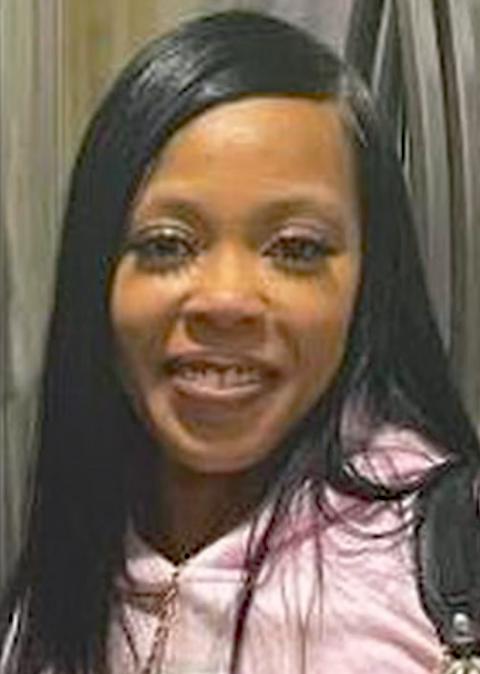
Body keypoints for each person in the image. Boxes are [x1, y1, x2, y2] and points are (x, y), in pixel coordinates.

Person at [1, 9, 480, 674]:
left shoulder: (441, 562)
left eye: (296, 249)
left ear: (368, 285)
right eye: (167, 245)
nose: (226, 301)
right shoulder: (72, 556)